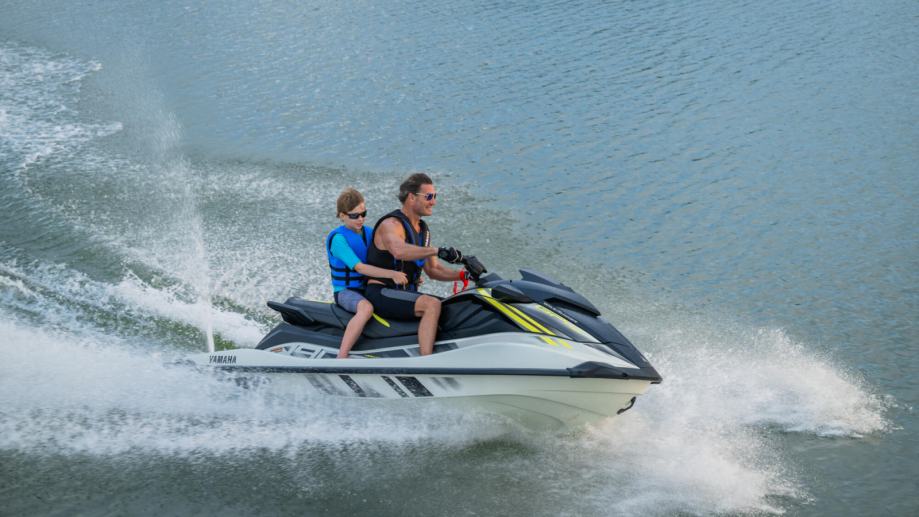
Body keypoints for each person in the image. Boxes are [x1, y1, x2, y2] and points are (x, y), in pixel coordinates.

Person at [363, 173, 468, 356]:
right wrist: (437, 251)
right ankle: (426, 362)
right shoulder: (391, 224)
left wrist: (464, 274)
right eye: (429, 196)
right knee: (432, 305)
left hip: (405, 293)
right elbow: (399, 250)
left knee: (453, 305)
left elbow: (433, 270)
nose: (433, 202)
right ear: (411, 197)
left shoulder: (423, 230)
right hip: (382, 292)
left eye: (435, 196)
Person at [327, 188, 408, 358]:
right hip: (346, 291)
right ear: (342, 215)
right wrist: (392, 274)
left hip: (368, 287)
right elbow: (360, 268)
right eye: (355, 215)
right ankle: (342, 357)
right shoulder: (338, 239)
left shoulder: (370, 233)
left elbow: (388, 256)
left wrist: (405, 273)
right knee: (366, 308)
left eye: (363, 214)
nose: (361, 219)